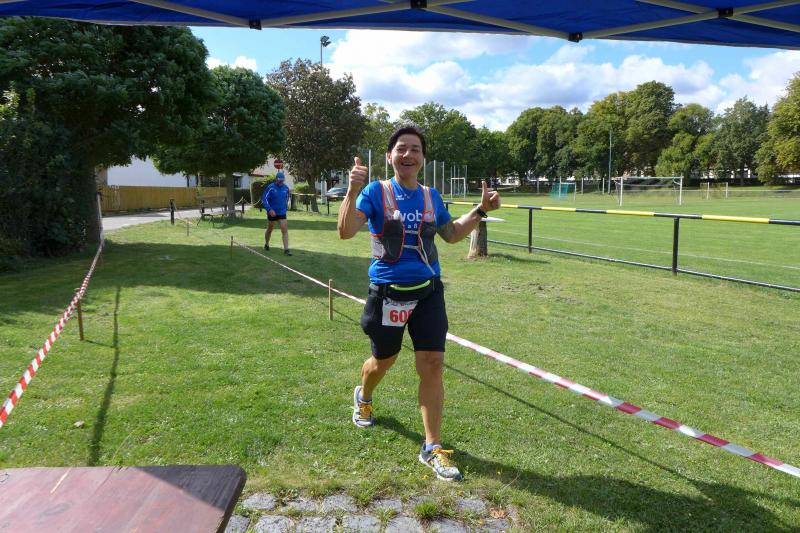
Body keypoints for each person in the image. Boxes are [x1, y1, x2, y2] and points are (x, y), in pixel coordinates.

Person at [337, 125, 501, 482]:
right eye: (401, 148)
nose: (408, 154)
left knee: (433, 364)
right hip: (388, 293)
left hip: (428, 292)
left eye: (415, 149)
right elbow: (346, 231)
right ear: (389, 157)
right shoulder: (375, 192)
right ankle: (364, 396)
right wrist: (351, 191)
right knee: (383, 361)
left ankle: (432, 446)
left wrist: (480, 210)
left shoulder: (430, 196)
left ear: (423, 158)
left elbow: (451, 234)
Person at [262, 171, 292, 256]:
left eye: (282, 180)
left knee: (284, 230)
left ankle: (286, 250)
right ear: (276, 179)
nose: (281, 182)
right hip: (272, 213)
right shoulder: (270, 187)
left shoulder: (286, 188)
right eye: (279, 180)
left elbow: (287, 198)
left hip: (282, 212)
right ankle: (266, 244)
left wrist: (285, 207)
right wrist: (269, 209)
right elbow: (264, 199)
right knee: (270, 229)